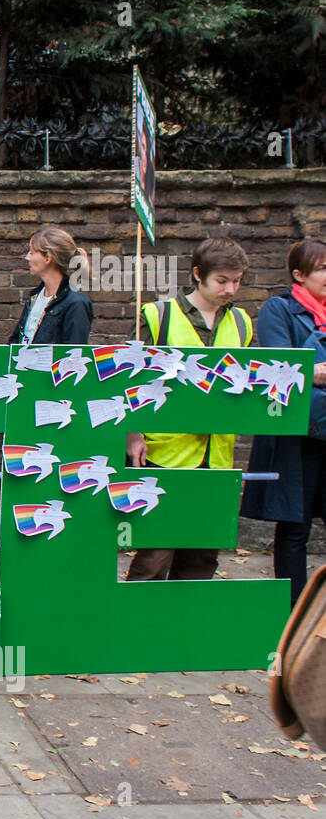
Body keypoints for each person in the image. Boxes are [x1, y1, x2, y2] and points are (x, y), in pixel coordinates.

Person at [127, 237, 253, 583]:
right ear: (199, 274)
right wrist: (133, 432)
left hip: (217, 455)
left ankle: (185, 630)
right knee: (155, 553)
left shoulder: (242, 322)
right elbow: (129, 376)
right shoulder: (158, 315)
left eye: (237, 280)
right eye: (222, 280)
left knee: (202, 555)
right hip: (166, 451)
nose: (231, 288)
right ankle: (134, 627)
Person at [241, 238, 326, 604]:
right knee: (295, 527)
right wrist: (314, 371)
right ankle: (293, 611)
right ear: (299, 274)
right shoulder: (279, 309)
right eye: (323, 268)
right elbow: (284, 368)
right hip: (297, 436)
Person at [8, 227, 93, 346]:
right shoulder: (35, 296)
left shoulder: (76, 303)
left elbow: (74, 355)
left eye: (32, 252)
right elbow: (16, 341)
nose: (27, 257)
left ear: (47, 258)